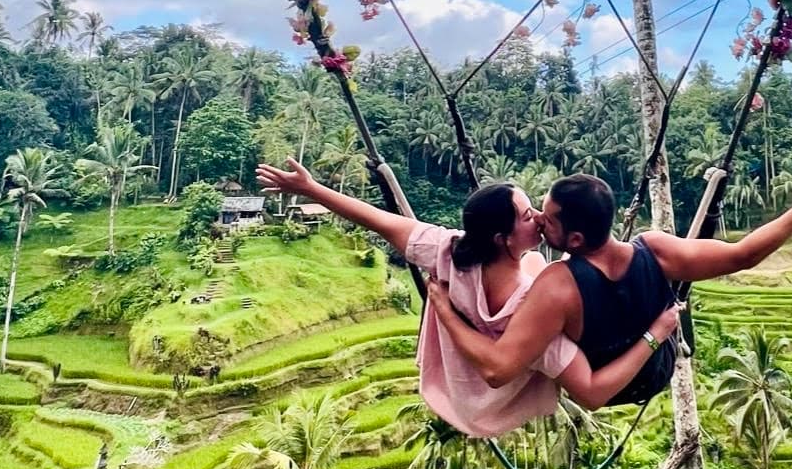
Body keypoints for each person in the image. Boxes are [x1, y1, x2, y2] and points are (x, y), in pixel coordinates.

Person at [254, 161, 679, 438]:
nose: (537, 218)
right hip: (496, 402)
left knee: (540, 266)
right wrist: (656, 334)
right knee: (545, 269)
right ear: (503, 238)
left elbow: (379, 221)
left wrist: (312, 188)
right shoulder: (537, 316)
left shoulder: (449, 253)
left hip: (455, 390)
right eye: (527, 214)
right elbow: (591, 392)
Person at [426, 166, 792, 405]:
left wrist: (445, 311)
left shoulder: (558, 285)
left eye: (547, 218)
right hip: (657, 371)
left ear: (574, 240)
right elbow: (742, 255)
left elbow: (498, 370)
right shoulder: (657, 249)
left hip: (608, 385)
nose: (538, 221)